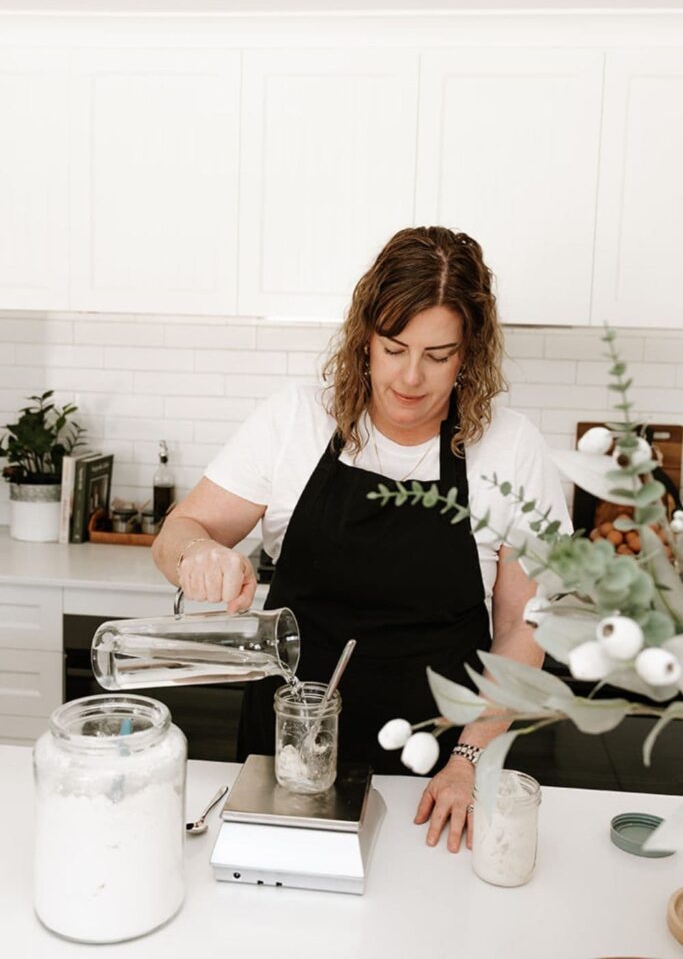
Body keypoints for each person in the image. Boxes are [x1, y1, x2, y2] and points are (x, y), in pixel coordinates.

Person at [152, 226, 570, 853]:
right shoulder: (296, 419)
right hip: (287, 761)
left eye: (439, 355)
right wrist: (200, 555)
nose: (410, 377)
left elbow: (522, 629)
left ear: (469, 354)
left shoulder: (511, 450)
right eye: (394, 347)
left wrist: (466, 759)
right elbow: (176, 534)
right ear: (364, 339)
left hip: (439, 772)